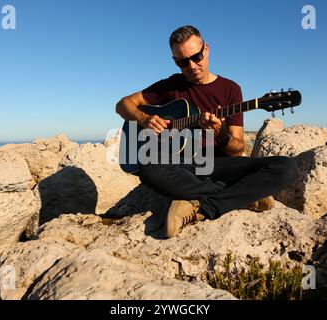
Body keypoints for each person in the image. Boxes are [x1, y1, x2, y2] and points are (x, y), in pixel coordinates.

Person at [116, 25, 298, 238]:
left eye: (197, 57)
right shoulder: (171, 86)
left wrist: (219, 134)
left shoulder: (230, 89)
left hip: (216, 165)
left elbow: (237, 150)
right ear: (176, 61)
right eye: (183, 62)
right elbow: (123, 104)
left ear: (207, 49)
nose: (192, 65)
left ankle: (200, 206)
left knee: (287, 168)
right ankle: (241, 196)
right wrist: (144, 119)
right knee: (148, 167)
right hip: (178, 166)